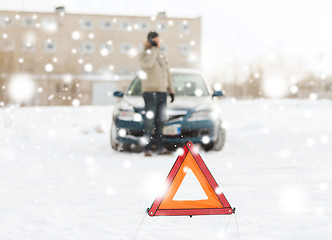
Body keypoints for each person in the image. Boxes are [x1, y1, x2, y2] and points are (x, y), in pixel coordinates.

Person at [138, 31, 175, 156]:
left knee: (161, 121)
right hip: (150, 92)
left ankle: (160, 147)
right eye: (155, 40)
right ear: (150, 41)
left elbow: (167, 73)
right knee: (149, 122)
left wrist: (171, 90)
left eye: (158, 40)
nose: (158, 42)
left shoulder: (162, 55)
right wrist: (153, 49)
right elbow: (148, 64)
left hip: (162, 92)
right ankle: (147, 148)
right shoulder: (144, 54)